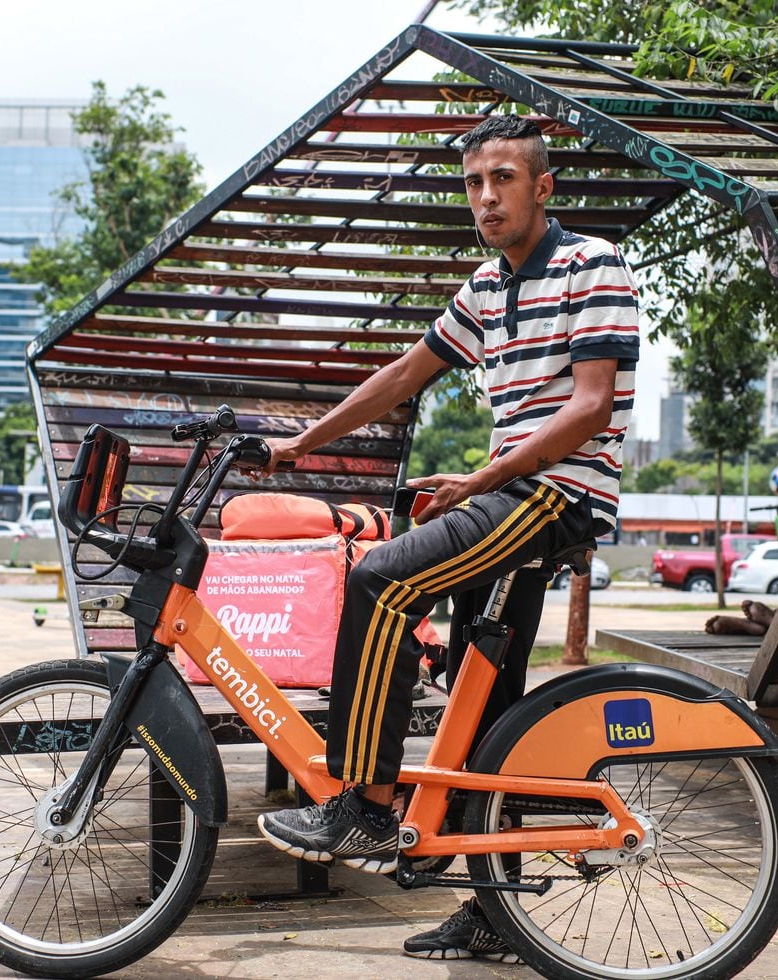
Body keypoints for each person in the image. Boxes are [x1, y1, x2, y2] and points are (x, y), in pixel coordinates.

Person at [255, 112, 640, 962]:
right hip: (516, 490)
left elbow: (590, 407)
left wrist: (483, 479)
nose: (485, 197)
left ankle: (365, 799)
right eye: (473, 183)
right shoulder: (485, 288)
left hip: (556, 494)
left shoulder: (591, 264)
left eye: (502, 179)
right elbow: (404, 374)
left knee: (382, 580)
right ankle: (495, 912)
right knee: (485, 709)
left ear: (542, 187)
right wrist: (300, 444)